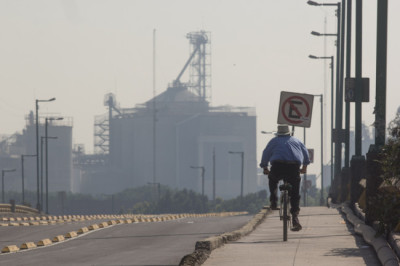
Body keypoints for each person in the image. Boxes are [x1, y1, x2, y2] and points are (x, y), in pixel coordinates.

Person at [260, 124, 310, 231]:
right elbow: (306, 153)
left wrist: (265, 167)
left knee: (272, 179)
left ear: (278, 134)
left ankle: (273, 201)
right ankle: (295, 219)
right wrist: (304, 167)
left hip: (278, 166)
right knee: (295, 193)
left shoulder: (274, 141)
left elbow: (266, 153)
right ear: (289, 133)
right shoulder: (297, 141)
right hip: (293, 167)